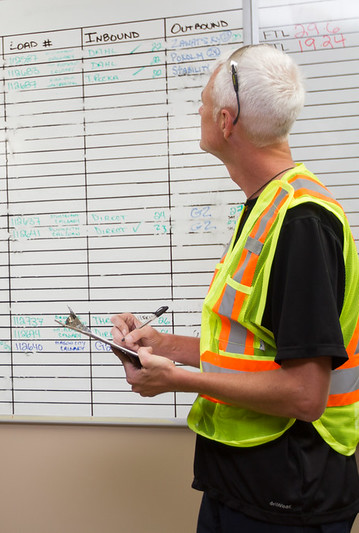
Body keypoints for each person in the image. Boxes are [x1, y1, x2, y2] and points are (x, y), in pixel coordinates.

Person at [110, 45, 359, 532]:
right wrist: (163, 347)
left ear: (226, 120)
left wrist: (177, 380)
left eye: (202, 102)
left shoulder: (301, 224)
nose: (198, 111)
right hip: (240, 486)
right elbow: (254, 350)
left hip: (290, 499)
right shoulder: (266, 207)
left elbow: (305, 395)